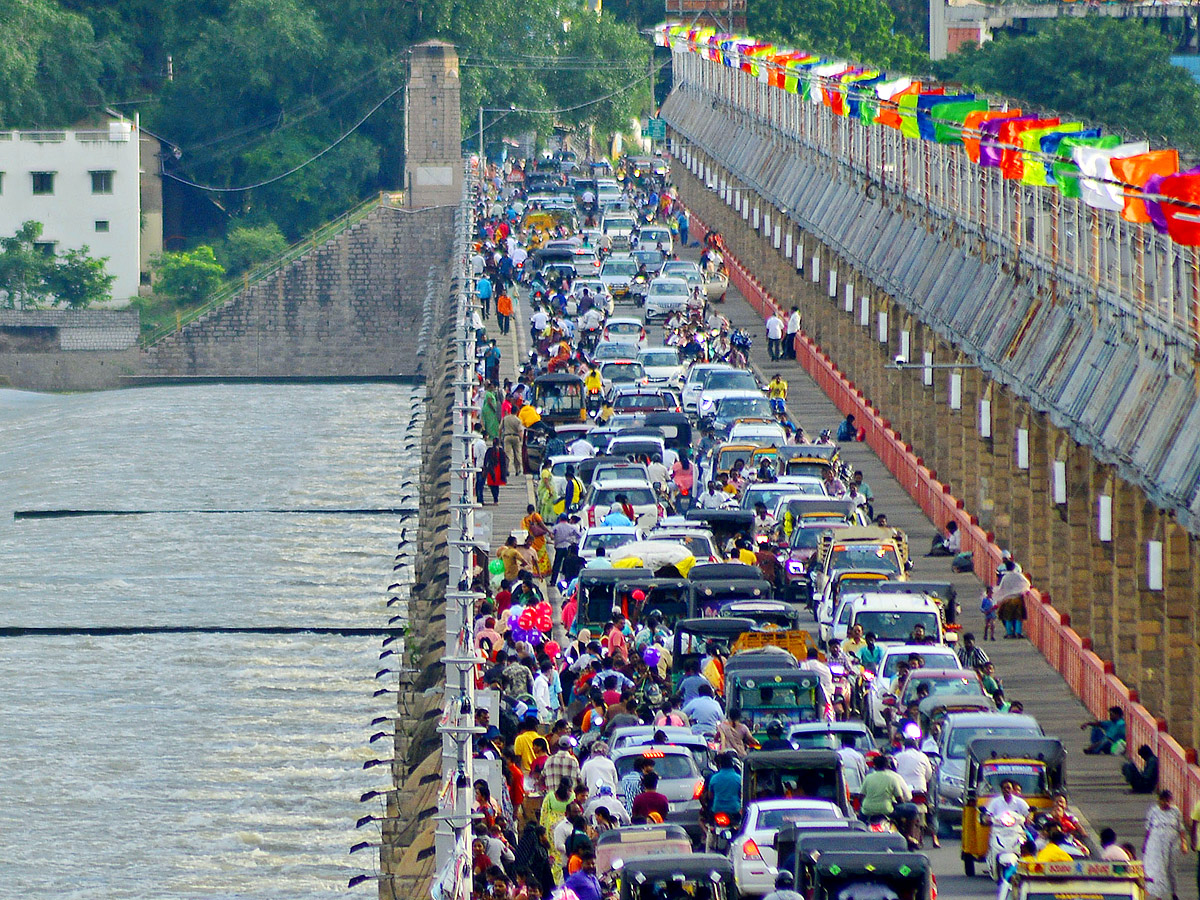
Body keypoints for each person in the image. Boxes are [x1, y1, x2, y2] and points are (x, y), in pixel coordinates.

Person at [1144, 790, 1187, 900]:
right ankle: (1158, 894)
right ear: (1160, 800)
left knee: (1171, 868)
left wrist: (1184, 842)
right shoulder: (1154, 812)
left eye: (1168, 801)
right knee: (1159, 868)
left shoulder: (1175, 812)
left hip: (1172, 842)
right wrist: (1145, 844)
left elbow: (1181, 828)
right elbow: (1148, 829)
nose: (1166, 803)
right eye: (1164, 801)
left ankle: (1174, 892)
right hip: (1157, 842)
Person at [860, 754, 912, 819]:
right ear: (887, 766)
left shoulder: (868, 777)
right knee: (913, 809)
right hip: (886, 810)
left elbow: (861, 796)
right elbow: (899, 799)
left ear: (874, 766)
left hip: (867, 811)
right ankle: (909, 829)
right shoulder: (892, 778)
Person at [996, 558, 1032, 638]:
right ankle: (1018, 632)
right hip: (1017, 599)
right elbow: (1027, 584)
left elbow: (1001, 588)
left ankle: (1009, 633)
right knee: (1018, 617)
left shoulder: (1005, 577)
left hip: (1008, 600)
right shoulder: (1019, 575)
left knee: (1008, 617)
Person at [704, 751, 743, 822]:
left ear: (720, 765)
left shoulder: (714, 778)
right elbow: (741, 795)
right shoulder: (738, 778)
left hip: (717, 809)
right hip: (734, 809)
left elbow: (710, 796)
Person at [501, 408, 525, 477]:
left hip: (507, 436)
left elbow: (500, 429)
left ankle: (507, 469)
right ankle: (518, 470)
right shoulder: (518, 420)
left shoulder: (505, 419)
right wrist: (522, 440)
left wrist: (500, 438)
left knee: (508, 454)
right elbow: (520, 431)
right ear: (517, 412)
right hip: (516, 437)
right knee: (517, 454)